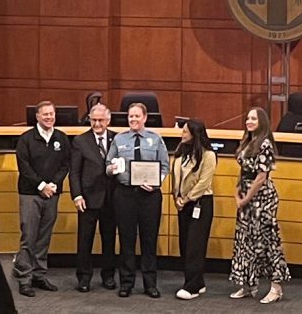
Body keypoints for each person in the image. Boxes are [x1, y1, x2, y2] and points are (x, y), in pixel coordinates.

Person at [106, 101, 170, 299]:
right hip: (125, 195)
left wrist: (156, 182)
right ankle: (126, 283)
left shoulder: (155, 138)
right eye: (130, 116)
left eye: (137, 116)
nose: (133, 119)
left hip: (149, 196)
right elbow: (108, 166)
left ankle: (150, 284)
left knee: (149, 240)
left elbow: (165, 166)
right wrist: (113, 168)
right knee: (126, 240)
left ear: (144, 118)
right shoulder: (119, 139)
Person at [230, 107, 289, 305]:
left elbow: (261, 177)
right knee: (245, 241)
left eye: (253, 118)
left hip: (262, 199)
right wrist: (238, 191)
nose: (249, 121)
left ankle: (276, 287)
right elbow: (244, 171)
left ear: (261, 121)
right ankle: (248, 284)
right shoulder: (247, 141)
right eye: (247, 118)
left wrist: (246, 198)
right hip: (246, 194)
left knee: (267, 242)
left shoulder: (265, 144)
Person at [13, 100, 71, 297]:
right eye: (45, 114)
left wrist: (53, 185)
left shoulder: (61, 138)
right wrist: (41, 186)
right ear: (37, 116)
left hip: (52, 194)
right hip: (30, 194)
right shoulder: (26, 139)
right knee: (29, 237)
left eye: (51, 114)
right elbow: (24, 166)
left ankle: (39, 275)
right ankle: (24, 278)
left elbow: (65, 164)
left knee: (44, 237)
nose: (49, 117)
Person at [69, 102, 118, 292]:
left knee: (109, 239)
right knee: (85, 240)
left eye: (101, 120)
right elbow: (74, 172)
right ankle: (84, 277)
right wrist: (77, 195)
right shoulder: (80, 141)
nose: (97, 124)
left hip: (111, 199)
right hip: (88, 199)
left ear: (108, 120)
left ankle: (108, 276)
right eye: (94, 120)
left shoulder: (117, 138)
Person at [172, 118, 217, 300]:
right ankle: (197, 281)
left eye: (184, 131)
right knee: (184, 243)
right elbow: (175, 177)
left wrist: (188, 198)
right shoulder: (181, 152)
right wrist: (177, 198)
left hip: (200, 203)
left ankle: (191, 287)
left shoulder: (208, 155)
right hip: (182, 203)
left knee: (195, 246)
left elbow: (203, 182)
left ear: (194, 134)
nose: (181, 134)